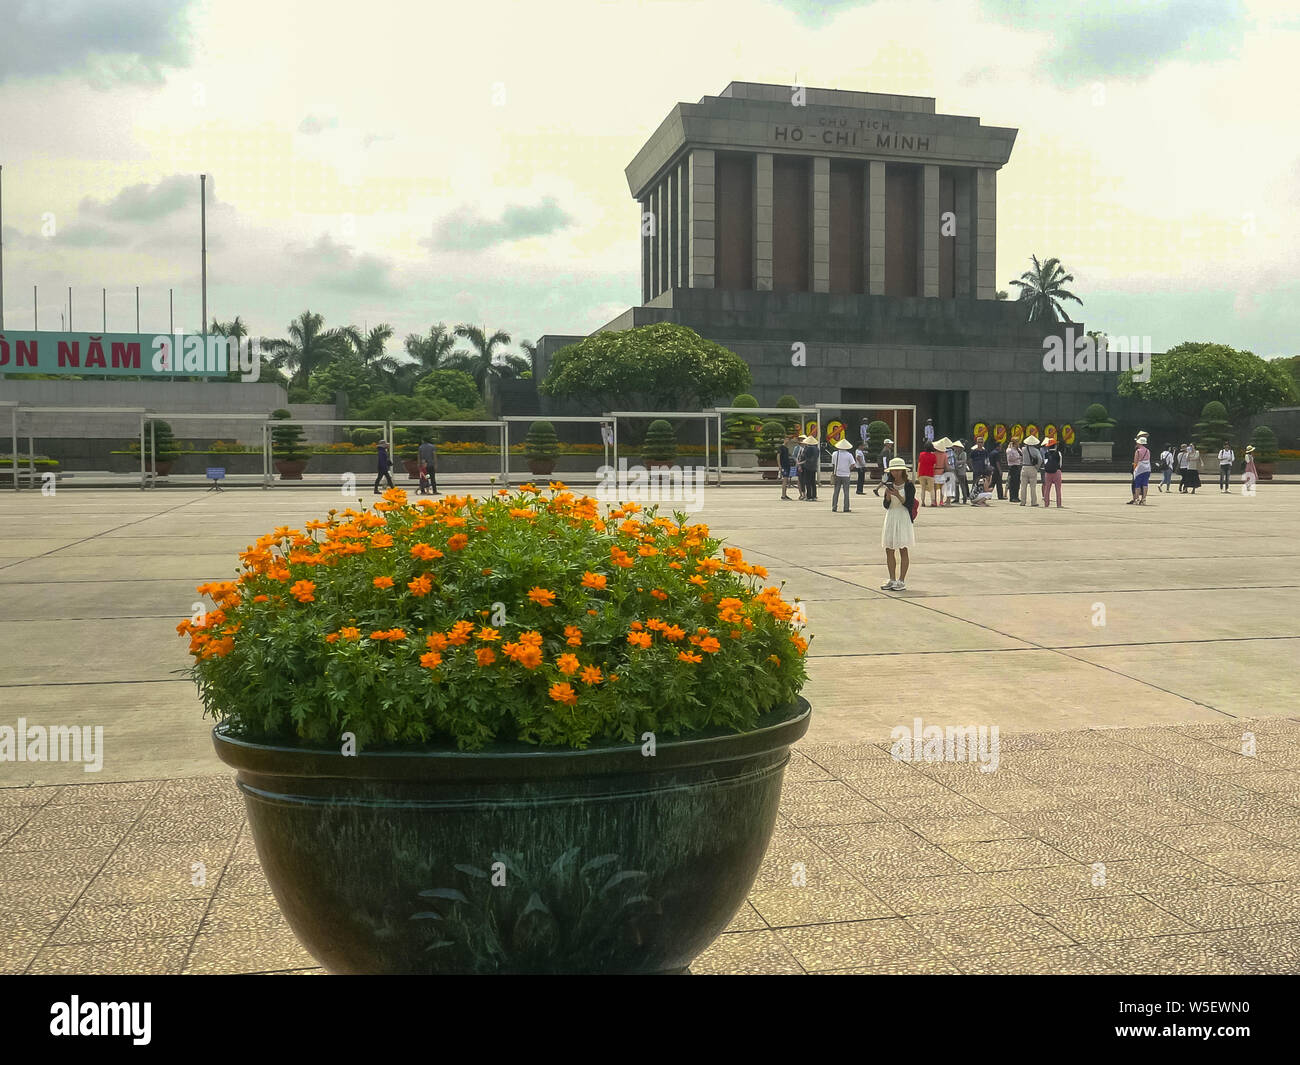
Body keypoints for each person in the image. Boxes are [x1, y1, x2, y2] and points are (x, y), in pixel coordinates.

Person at [880, 457, 916, 591]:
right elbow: (886, 505)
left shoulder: (909, 485)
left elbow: (909, 504)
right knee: (889, 548)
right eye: (893, 471)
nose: (895, 473)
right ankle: (892, 578)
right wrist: (888, 496)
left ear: (902, 471)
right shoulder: (890, 483)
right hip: (891, 516)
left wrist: (898, 495)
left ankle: (901, 580)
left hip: (902, 516)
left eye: (897, 470)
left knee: (903, 548)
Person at [831, 438, 856, 512]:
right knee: (846, 492)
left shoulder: (835, 454)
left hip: (837, 474)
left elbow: (833, 464)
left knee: (836, 491)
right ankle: (846, 508)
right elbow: (853, 465)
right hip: (846, 475)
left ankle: (834, 507)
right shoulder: (849, 455)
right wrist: (848, 469)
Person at [1041, 436, 1064, 508]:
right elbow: (1060, 463)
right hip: (1057, 472)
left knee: (1047, 489)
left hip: (1048, 473)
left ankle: (1046, 504)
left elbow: (1045, 463)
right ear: (1055, 445)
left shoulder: (1046, 454)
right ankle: (1059, 504)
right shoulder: (1058, 453)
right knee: (1058, 489)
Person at [1128, 434, 1151, 505]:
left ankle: (1137, 499)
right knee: (1145, 484)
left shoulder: (1138, 451)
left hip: (1140, 469)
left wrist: (1134, 470)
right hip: (1147, 469)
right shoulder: (1148, 450)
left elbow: (1135, 462)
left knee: (1137, 485)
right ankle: (1143, 499)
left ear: (1139, 443)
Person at [1019, 435, 1041, 507]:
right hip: (1032, 468)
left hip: (1024, 467)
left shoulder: (1023, 449)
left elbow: (1021, 458)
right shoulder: (1036, 450)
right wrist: (1037, 467)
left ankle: (1023, 502)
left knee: (1023, 486)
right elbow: (1040, 459)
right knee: (1033, 487)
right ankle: (1033, 502)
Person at [916, 441, 938, 507]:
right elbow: (934, 466)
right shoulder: (933, 456)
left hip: (922, 473)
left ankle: (923, 502)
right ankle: (933, 502)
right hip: (930, 473)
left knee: (922, 488)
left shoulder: (921, 454)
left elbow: (919, 464)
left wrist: (918, 473)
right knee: (931, 489)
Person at [798, 435, 819, 501]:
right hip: (814, 466)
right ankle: (814, 496)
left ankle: (809, 496)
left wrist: (800, 463)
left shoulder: (807, 449)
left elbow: (805, 458)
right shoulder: (817, 449)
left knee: (808, 482)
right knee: (813, 482)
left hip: (807, 466)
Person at [968, 438, 988, 504]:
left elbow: (987, 460)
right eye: (979, 442)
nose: (980, 443)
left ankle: (982, 498)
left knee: (983, 483)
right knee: (975, 483)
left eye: (981, 442)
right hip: (976, 469)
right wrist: (972, 467)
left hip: (983, 469)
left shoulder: (985, 451)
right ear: (977, 443)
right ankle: (973, 496)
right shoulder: (974, 451)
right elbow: (970, 460)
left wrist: (987, 467)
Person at [933, 437, 952, 506]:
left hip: (935, 472)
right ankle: (941, 501)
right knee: (942, 488)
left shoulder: (933, 454)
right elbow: (946, 465)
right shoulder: (944, 455)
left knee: (935, 488)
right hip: (942, 471)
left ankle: (934, 501)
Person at [1004, 437, 1022, 503]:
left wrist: (1018, 452)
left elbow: (1022, 455)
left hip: (1018, 466)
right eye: (1017, 442)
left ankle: (1016, 496)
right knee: (1013, 483)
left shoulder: (1018, 449)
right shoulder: (1009, 450)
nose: (1018, 444)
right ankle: (1012, 497)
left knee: (1017, 483)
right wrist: (1018, 457)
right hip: (1013, 467)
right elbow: (1010, 458)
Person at [778, 434, 795, 501]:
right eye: (787, 439)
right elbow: (778, 456)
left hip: (787, 466)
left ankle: (785, 494)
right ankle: (783, 495)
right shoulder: (781, 447)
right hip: (784, 466)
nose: (788, 441)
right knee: (785, 480)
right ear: (785, 439)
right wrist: (779, 466)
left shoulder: (786, 448)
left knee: (786, 480)